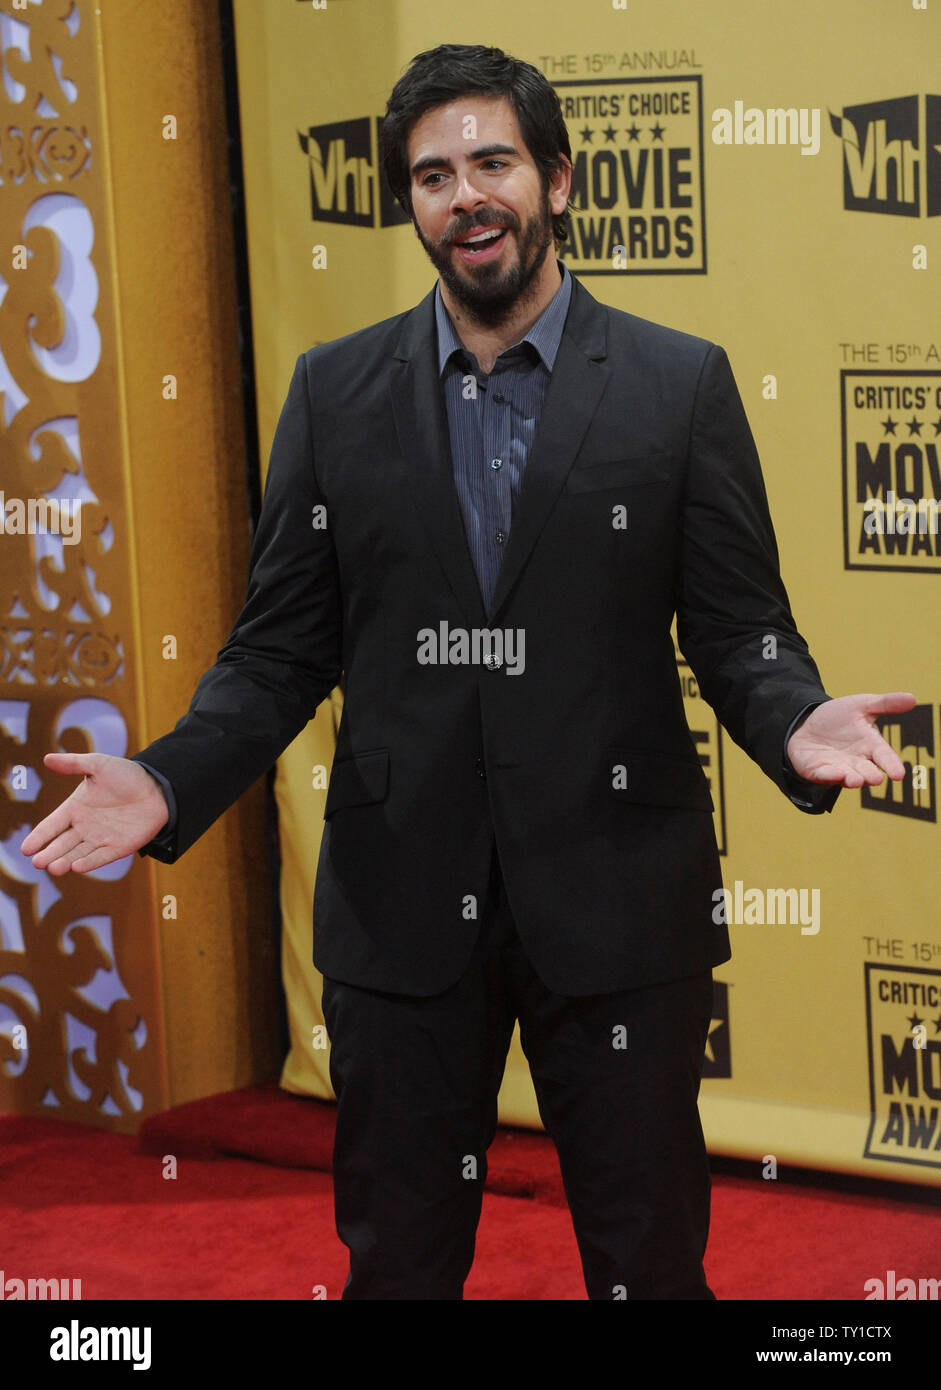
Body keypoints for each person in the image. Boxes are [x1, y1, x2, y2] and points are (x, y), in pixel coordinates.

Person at [21, 44, 913, 1300]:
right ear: (411, 205)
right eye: (432, 175)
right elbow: (279, 648)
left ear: (553, 179)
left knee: (649, 1267)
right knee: (399, 1270)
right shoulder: (335, 394)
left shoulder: (676, 386)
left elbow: (738, 629)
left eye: (491, 161)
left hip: (615, 904)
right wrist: (169, 780)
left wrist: (793, 715)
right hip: (399, 908)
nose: (463, 194)